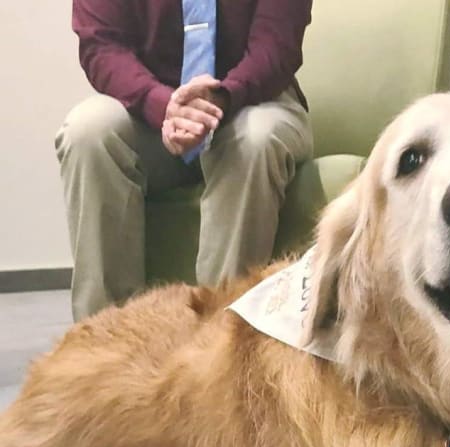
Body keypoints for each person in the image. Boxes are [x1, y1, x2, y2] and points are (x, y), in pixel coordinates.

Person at [57, 0, 313, 322]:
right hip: (147, 109)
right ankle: (107, 337)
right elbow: (101, 46)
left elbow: (276, 47)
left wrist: (220, 98)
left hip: (255, 98)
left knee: (256, 138)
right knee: (87, 131)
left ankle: (219, 336)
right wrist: (162, 104)